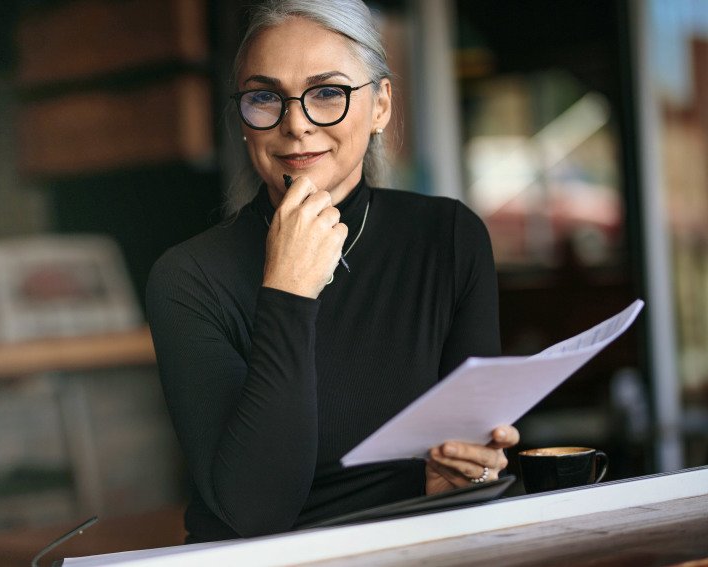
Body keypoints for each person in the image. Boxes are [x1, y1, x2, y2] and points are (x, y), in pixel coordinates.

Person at [145, 0, 519, 543]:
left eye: (327, 93)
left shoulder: (447, 238)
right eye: (265, 97)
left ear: (381, 105)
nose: (295, 124)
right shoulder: (188, 278)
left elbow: (469, 461)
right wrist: (289, 292)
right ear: (243, 118)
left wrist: (463, 478)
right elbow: (253, 513)